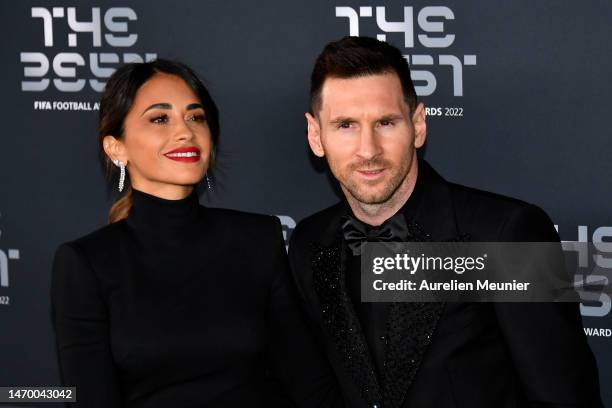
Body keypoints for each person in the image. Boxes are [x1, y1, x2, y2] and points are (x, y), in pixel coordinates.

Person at [288, 36, 602, 408]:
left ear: (418, 126)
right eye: (345, 126)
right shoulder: (310, 242)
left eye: (386, 122)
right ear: (315, 135)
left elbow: (565, 396)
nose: (368, 150)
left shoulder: (506, 235)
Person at [51, 59, 342, 408]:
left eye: (196, 117)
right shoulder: (86, 264)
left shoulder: (257, 240)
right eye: (160, 119)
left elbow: (308, 383)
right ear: (116, 148)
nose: (185, 131)